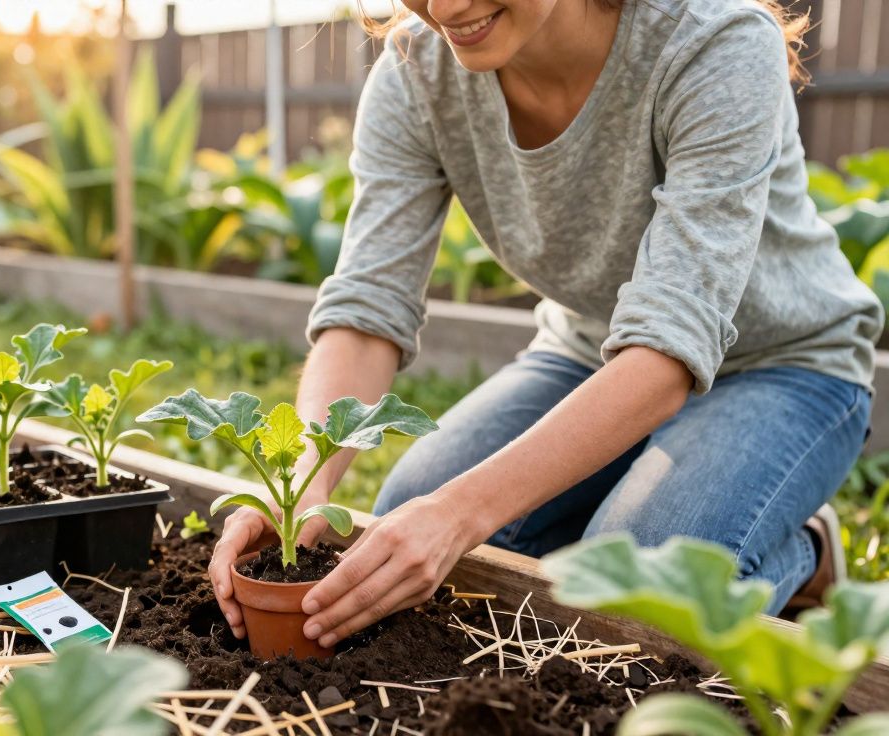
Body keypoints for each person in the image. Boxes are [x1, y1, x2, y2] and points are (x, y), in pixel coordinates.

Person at [208, 0, 884, 651]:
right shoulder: (417, 73)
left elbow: (666, 348)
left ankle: (807, 551)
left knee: (639, 589)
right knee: (410, 506)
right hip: (588, 351)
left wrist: (462, 513)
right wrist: (306, 481)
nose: (443, 7)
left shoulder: (715, 43)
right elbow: (366, 308)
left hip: (784, 367)